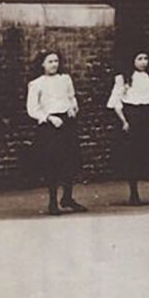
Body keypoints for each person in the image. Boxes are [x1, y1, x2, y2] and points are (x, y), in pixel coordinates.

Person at [106, 51, 149, 205]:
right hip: (133, 117)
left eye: (146, 58)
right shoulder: (123, 79)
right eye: (139, 59)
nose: (143, 62)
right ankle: (134, 195)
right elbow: (115, 103)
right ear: (132, 60)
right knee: (133, 156)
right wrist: (124, 121)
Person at [27, 50, 88, 215]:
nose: (54, 64)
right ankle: (52, 202)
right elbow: (32, 109)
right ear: (42, 64)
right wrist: (49, 117)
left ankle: (67, 198)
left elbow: (71, 97)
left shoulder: (65, 79)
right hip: (50, 126)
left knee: (70, 161)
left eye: (56, 61)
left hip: (67, 123)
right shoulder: (36, 84)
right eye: (50, 61)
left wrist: (73, 108)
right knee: (53, 163)